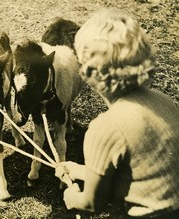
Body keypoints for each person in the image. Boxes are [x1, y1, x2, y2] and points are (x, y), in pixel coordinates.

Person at [55, 8, 179, 219]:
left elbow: (91, 204)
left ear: (87, 72)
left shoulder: (105, 127)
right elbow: (138, 171)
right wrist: (78, 170)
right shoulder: (164, 101)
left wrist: (71, 196)